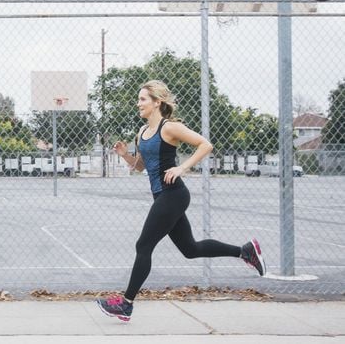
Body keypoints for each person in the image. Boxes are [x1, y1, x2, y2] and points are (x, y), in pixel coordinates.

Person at [96, 80, 266, 322]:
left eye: (143, 99)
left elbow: (205, 145)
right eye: (139, 99)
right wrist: (125, 155)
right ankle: (245, 251)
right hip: (163, 196)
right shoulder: (142, 133)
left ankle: (126, 303)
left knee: (143, 246)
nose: (138, 103)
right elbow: (141, 166)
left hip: (173, 194)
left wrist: (182, 167)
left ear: (157, 102)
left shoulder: (170, 128)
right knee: (190, 249)